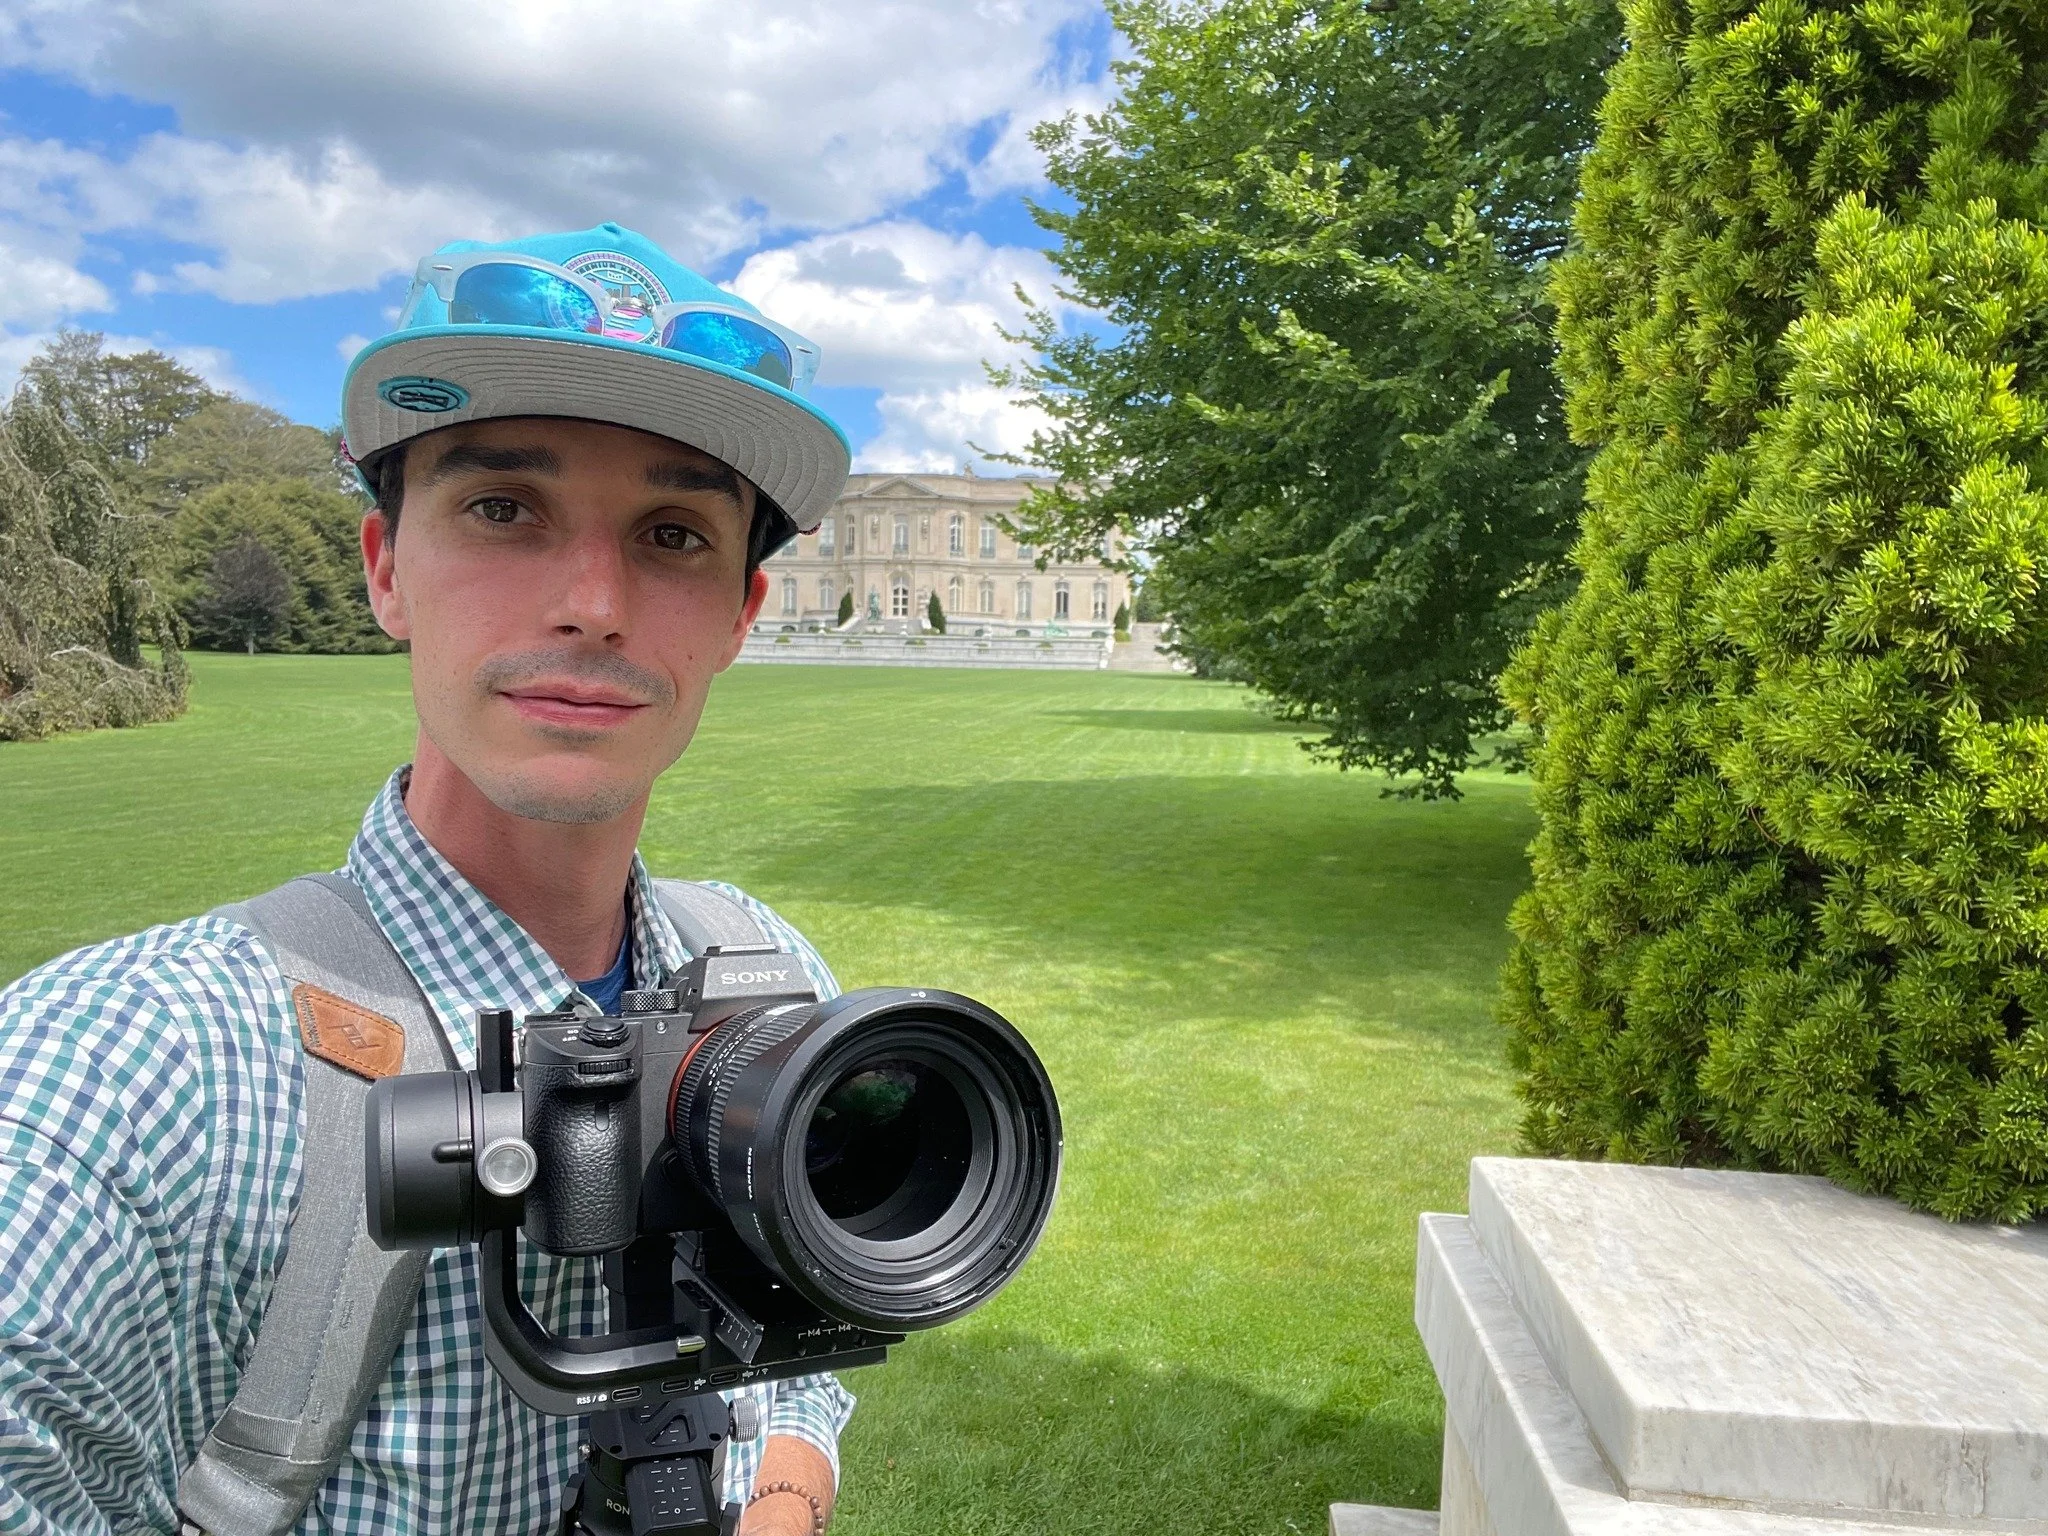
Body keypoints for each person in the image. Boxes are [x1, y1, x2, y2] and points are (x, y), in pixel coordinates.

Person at [0, 224, 856, 1535]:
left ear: (737, 616)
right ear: (388, 570)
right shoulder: (137, 1075)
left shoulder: (772, 983)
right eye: (504, 508)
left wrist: (783, 1494)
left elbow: (799, 1349)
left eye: (673, 532)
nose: (594, 601)